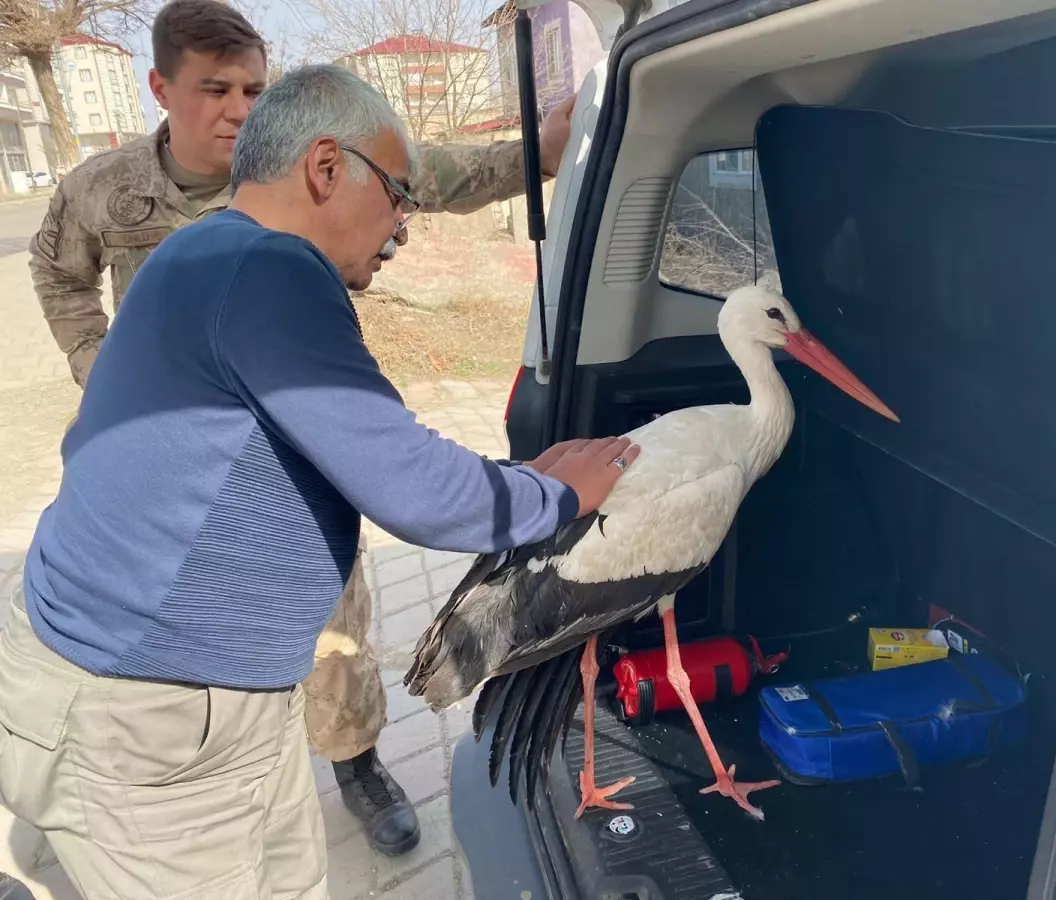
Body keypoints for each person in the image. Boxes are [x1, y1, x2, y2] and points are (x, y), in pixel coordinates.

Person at [0, 62, 636, 900]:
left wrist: (511, 479)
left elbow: (369, 447)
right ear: (326, 167)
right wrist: (559, 495)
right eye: (399, 196)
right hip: (141, 716)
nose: (403, 228)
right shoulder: (267, 269)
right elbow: (412, 486)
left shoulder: (202, 249)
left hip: (202, 697)